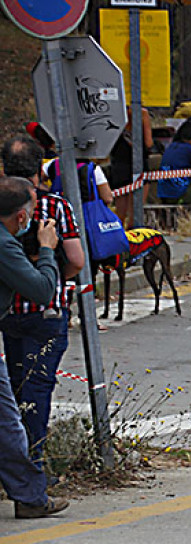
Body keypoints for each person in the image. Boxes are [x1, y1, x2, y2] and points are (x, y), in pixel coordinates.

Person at [0, 136, 85, 474]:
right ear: (40, 169)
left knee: (13, 387)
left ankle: (16, 467)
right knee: (36, 391)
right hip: (45, 313)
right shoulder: (55, 206)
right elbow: (76, 260)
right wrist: (51, 274)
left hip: (8, 314)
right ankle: (31, 467)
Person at [0, 175, 69, 518]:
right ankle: (29, 496)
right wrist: (46, 249)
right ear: (22, 217)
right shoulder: (5, 244)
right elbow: (42, 290)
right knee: (7, 422)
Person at [108, 105, 153, 229]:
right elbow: (149, 142)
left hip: (119, 165)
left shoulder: (113, 113)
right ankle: (133, 237)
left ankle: (119, 237)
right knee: (136, 214)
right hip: (138, 165)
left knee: (120, 213)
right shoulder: (142, 114)